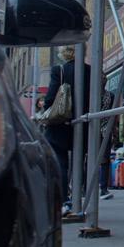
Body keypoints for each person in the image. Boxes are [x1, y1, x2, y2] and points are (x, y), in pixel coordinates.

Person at [43, 46, 91, 216]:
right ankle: (79, 196)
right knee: (79, 162)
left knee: (60, 162)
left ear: (64, 53)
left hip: (61, 124)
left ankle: (64, 200)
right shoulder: (90, 71)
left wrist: (45, 108)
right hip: (83, 124)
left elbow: (50, 99)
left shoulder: (59, 70)